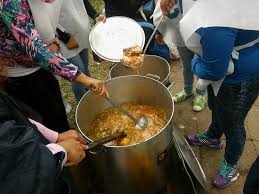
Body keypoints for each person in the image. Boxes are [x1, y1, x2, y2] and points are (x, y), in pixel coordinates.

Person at [160, 0, 259, 189]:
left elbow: (214, 70)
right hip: (231, 61)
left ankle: (231, 164)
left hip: (240, 76)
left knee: (233, 123)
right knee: (217, 106)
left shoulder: (218, 15)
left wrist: (196, 64)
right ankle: (213, 136)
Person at [0, 0, 108, 133]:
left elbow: (47, 21)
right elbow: (34, 47)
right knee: (45, 124)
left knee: (57, 111)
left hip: (42, 66)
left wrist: (54, 40)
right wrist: (82, 77)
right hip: (19, 76)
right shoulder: (9, 3)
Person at [153, 0, 206, 112]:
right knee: (186, 65)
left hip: (199, 33)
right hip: (180, 34)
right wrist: (159, 31)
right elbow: (160, 11)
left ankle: (201, 94)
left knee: (200, 65)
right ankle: (187, 90)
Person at [57, 0, 106, 103]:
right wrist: (66, 38)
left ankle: (90, 94)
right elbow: (48, 19)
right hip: (65, 35)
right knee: (78, 72)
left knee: (85, 65)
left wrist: (95, 15)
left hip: (80, 28)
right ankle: (81, 101)